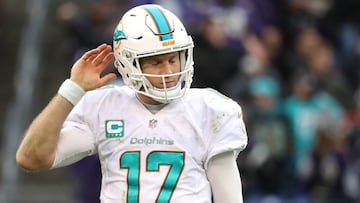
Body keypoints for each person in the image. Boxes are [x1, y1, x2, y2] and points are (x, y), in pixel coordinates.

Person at [16, 4, 248, 203]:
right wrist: (72, 90)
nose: (168, 71)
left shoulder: (210, 110)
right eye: (156, 62)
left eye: (173, 59)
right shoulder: (104, 106)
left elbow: (229, 198)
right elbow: (32, 158)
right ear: (129, 63)